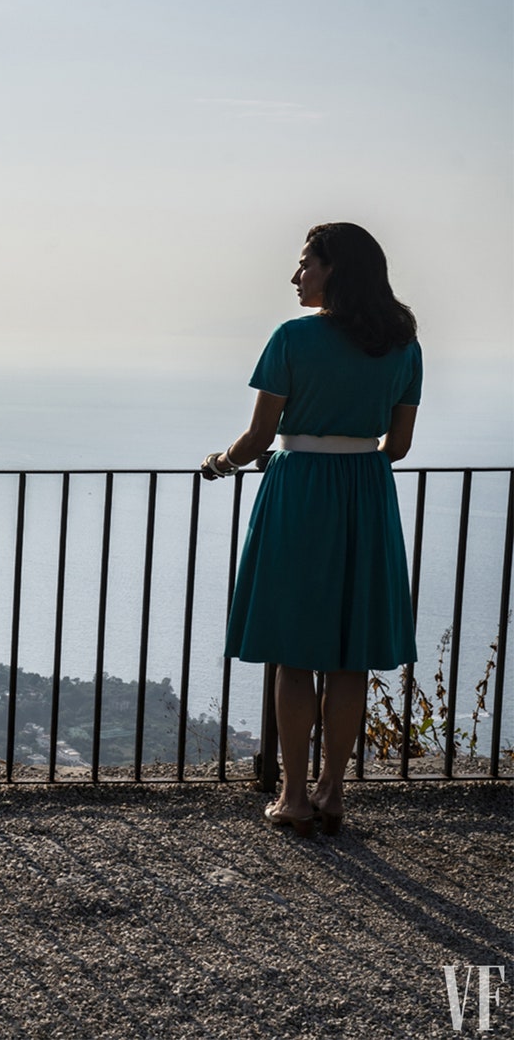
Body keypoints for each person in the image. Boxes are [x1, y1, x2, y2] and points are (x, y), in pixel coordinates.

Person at [203, 222, 421, 837]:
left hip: (299, 493)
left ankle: (293, 797)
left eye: (306, 264)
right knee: (349, 657)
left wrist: (219, 462)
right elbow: (397, 446)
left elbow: (255, 440)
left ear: (338, 270)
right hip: (365, 493)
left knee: (294, 654)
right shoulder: (405, 344)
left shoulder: (292, 338)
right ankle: (333, 792)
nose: (296, 277)